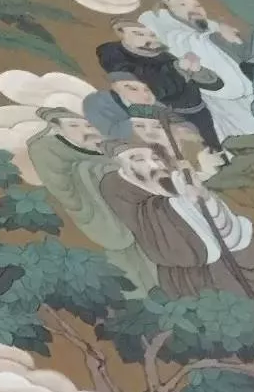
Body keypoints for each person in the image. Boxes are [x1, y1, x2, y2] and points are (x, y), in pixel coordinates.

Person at [100, 143, 254, 301]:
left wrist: (203, 194)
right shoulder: (116, 186)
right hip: (191, 276)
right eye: (139, 160)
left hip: (228, 260)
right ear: (121, 165)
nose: (154, 165)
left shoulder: (175, 180)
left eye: (156, 158)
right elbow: (154, 224)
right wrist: (186, 201)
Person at [26, 108, 157, 294]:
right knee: (126, 267)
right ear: (57, 127)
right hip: (99, 212)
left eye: (89, 125)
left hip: (135, 209)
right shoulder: (47, 149)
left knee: (153, 257)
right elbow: (62, 188)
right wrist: (96, 172)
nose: (86, 131)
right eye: (74, 125)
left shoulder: (108, 144)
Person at [140, 0, 254, 143]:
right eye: (182, 5)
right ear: (167, 9)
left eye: (197, 5)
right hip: (225, 110)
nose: (194, 9)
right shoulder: (172, 35)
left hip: (250, 99)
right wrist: (219, 37)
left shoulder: (211, 29)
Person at [96, 20, 224, 153]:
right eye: (139, 33)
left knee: (215, 152)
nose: (148, 39)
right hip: (161, 118)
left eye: (152, 34)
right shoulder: (113, 53)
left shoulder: (162, 55)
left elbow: (216, 85)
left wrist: (197, 71)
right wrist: (178, 68)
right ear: (120, 32)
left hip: (198, 114)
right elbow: (151, 87)